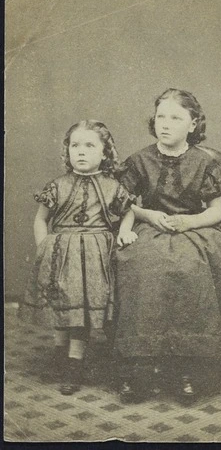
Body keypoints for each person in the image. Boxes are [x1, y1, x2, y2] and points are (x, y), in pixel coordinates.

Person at [114, 88, 221, 404]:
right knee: (141, 264)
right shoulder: (139, 160)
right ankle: (140, 366)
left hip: (197, 229)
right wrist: (150, 214)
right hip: (152, 228)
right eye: (161, 117)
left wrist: (187, 223)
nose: (165, 124)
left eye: (176, 118)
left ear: (192, 124)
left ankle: (189, 369)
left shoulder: (204, 163)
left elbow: (216, 211)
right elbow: (123, 204)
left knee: (192, 268)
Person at [19, 120, 137, 395]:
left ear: (105, 153)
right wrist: (44, 248)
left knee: (81, 310)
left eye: (89, 145)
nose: (80, 152)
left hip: (96, 257)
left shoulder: (111, 186)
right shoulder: (57, 185)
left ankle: (75, 364)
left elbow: (129, 210)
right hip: (61, 254)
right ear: (67, 150)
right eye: (75, 145)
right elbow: (41, 219)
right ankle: (61, 356)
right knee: (64, 305)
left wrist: (126, 230)